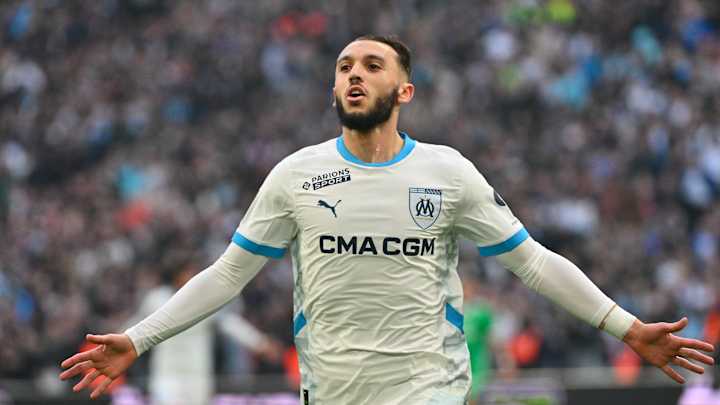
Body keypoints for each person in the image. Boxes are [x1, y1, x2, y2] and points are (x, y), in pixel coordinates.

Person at [60, 35, 715, 404]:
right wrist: (138, 339)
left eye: (372, 66)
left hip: (428, 392)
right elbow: (228, 274)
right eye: (344, 67)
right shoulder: (295, 175)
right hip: (332, 394)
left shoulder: (447, 173)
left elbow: (534, 263)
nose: (354, 74)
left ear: (404, 91)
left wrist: (628, 328)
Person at [124, 265, 281, 405]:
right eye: (187, 273)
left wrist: (259, 342)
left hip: (197, 375)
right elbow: (138, 324)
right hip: (166, 373)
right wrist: (118, 340)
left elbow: (229, 323)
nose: (192, 277)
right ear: (176, 275)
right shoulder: (157, 299)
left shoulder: (204, 300)